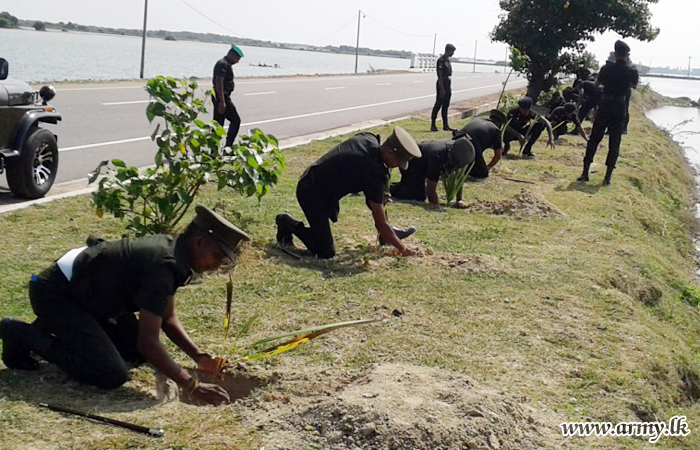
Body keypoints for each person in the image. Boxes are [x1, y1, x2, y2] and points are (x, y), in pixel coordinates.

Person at [0, 205, 250, 406]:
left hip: (89, 299)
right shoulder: (164, 263)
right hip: (56, 294)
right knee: (110, 374)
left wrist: (199, 356)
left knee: (134, 352)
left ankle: (57, 330)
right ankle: (22, 333)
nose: (217, 265)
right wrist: (191, 385)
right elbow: (149, 342)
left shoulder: (176, 256)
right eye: (218, 256)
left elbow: (167, 318)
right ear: (199, 242)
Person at [275, 127, 421, 259]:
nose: (396, 167)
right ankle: (287, 222)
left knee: (323, 235)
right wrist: (403, 249)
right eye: (398, 161)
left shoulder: (369, 138)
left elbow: (375, 201)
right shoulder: (373, 171)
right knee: (325, 251)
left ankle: (389, 235)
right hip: (311, 191)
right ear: (389, 152)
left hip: (317, 181)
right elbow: (380, 222)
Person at [577, 40, 639, 185]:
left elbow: (597, 85)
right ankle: (607, 177)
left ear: (615, 54)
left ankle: (585, 173)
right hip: (620, 106)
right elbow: (634, 86)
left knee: (594, 138)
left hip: (605, 104)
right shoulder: (632, 71)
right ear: (627, 55)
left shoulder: (606, 68)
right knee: (615, 141)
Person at [390, 136, 475, 207]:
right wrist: (436, 206)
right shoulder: (436, 157)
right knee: (417, 195)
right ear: (450, 154)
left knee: (419, 192)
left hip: (424, 164)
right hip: (411, 162)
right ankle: (389, 189)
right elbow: (431, 190)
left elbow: (458, 177)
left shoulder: (458, 151)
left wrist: (459, 200)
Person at [452, 109, 505, 182]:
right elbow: (498, 155)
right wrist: (488, 167)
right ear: (499, 124)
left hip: (455, 141)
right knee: (482, 174)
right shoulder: (496, 130)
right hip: (469, 147)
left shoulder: (478, 120)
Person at [213, 44, 244, 147]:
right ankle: (228, 146)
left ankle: (213, 149)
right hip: (222, 97)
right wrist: (222, 102)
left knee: (218, 124)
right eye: (237, 59)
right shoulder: (223, 64)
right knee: (235, 120)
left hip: (221, 96)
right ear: (232, 55)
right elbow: (219, 82)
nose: (237, 61)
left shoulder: (226, 64)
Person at [430, 44, 456, 132]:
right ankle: (433, 125)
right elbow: (439, 75)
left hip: (448, 83)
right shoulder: (440, 60)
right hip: (442, 83)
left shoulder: (448, 60)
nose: (453, 53)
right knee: (438, 104)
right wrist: (442, 89)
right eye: (452, 51)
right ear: (448, 50)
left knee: (446, 105)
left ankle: (446, 125)